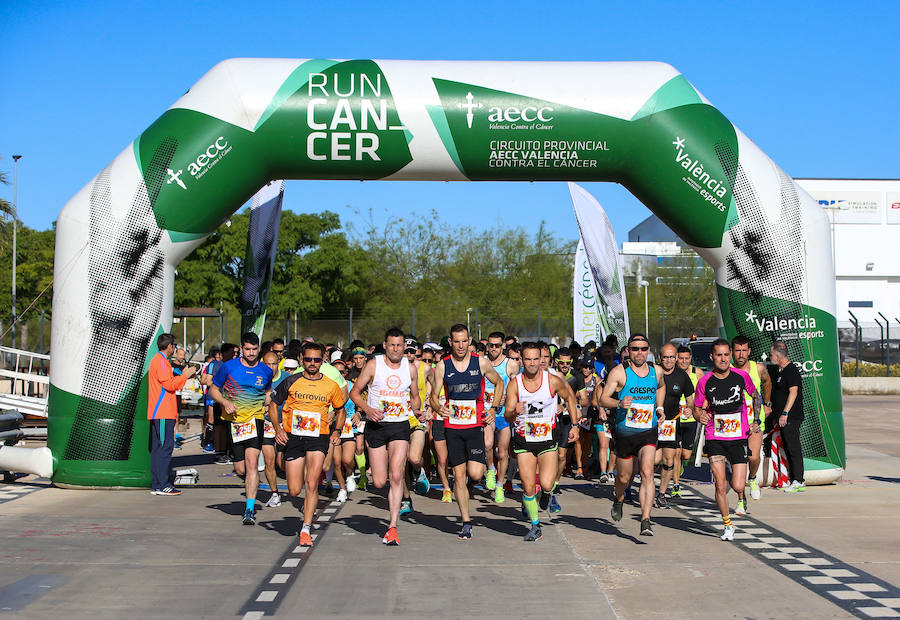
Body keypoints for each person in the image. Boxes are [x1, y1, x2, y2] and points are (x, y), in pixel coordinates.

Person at [350, 328, 423, 546]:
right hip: (376, 426)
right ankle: (391, 519)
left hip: (399, 426)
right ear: (385, 345)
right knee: (380, 481)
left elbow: (415, 396)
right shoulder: (374, 365)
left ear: (404, 347)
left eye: (399, 345)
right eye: (392, 345)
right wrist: (367, 409)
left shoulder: (410, 368)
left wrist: (417, 410)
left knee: (397, 476)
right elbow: (355, 392)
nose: (396, 349)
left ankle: (392, 526)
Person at [430, 324, 503, 540]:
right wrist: (437, 407)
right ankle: (466, 521)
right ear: (450, 343)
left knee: (475, 474)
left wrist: (493, 408)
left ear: (469, 341)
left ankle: (483, 476)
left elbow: (498, 383)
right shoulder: (443, 367)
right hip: (452, 428)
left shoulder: (480, 362)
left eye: (464, 341)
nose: (461, 346)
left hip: (474, 428)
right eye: (456, 341)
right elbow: (434, 396)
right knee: (459, 476)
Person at [269, 341, 346, 546]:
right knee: (294, 490)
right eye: (309, 359)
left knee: (312, 484)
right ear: (302, 360)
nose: (313, 363)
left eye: (317, 359)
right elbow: (273, 404)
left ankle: (306, 527)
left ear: (323, 361)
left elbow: (341, 410)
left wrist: (337, 431)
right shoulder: (291, 381)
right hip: (293, 437)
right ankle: (304, 510)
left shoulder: (330, 385)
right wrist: (278, 429)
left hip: (318, 438)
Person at [506, 342, 580, 541]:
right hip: (524, 441)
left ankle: (546, 494)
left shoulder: (553, 381)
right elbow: (506, 416)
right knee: (528, 487)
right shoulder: (515, 384)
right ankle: (535, 525)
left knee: (547, 484)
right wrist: (515, 412)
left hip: (547, 440)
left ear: (542, 360)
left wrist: (574, 425)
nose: (531, 364)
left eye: (535, 359)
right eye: (527, 359)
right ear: (522, 360)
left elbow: (570, 398)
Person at [599, 334, 665, 536]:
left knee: (647, 472)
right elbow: (603, 399)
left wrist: (660, 407)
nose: (639, 353)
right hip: (625, 433)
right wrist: (618, 403)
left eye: (643, 349)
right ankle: (618, 498)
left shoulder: (657, 371)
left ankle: (646, 519)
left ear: (649, 350)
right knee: (624, 477)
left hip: (648, 431)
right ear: (628, 350)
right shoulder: (620, 372)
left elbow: (661, 386)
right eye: (635, 349)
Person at [694, 338, 760, 540]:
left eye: (726, 355)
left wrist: (756, 419)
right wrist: (700, 415)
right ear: (712, 357)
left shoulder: (741, 376)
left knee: (738, 485)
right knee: (720, 486)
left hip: (738, 437)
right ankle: (728, 525)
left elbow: (756, 396)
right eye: (719, 355)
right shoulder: (705, 381)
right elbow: (696, 408)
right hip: (715, 438)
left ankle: (741, 495)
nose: (723, 359)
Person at [209, 332, 273, 525]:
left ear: (259, 348)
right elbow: (213, 388)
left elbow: (268, 391)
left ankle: (249, 509)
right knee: (240, 467)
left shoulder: (265, 370)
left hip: (255, 420)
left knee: (252, 463)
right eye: (247, 349)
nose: (251, 353)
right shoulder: (228, 367)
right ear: (241, 348)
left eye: (254, 349)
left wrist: (267, 403)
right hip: (235, 422)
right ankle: (248, 481)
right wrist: (224, 402)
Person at [147, 333, 196, 495]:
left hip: (161, 412)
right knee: (164, 448)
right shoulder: (160, 361)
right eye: (174, 345)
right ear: (169, 347)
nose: (174, 348)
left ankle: (158, 484)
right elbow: (169, 385)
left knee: (159, 449)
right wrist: (185, 375)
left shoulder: (160, 361)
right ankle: (162, 484)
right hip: (162, 412)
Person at [731, 336, 771, 504]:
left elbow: (767, 382)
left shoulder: (758, 368)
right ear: (732, 352)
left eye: (744, 351)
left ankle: (753, 478)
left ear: (749, 351)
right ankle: (740, 496)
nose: (741, 355)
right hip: (734, 422)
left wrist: (767, 403)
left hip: (754, 420)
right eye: (737, 351)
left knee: (753, 458)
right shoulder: (727, 369)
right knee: (737, 462)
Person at [655, 343, 694, 507]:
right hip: (652, 421)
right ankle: (646, 487)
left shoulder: (682, 376)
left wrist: (689, 410)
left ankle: (661, 494)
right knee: (653, 461)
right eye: (666, 357)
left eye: (672, 357)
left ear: (676, 358)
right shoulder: (653, 373)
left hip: (671, 423)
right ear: (660, 358)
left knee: (668, 460)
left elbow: (690, 400)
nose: (669, 360)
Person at [767, 341, 805, 492]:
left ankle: (799, 480)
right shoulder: (781, 371)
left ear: (778, 356)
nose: (770, 357)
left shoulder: (791, 370)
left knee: (793, 447)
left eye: (771, 355)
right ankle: (793, 478)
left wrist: (785, 413)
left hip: (791, 417)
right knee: (788, 447)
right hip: (783, 417)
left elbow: (793, 392)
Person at [484, 331, 518, 503]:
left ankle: (499, 485)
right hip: (487, 410)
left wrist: (508, 397)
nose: (494, 348)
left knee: (503, 452)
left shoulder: (510, 364)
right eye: (491, 345)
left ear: (503, 345)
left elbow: (516, 386)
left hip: (504, 413)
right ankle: (490, 468)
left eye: (497, 345)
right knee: (488, 444)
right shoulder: (482, 362)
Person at [670, 345, 703, 497]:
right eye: (681, 358)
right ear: (677, 359)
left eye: (686, 359)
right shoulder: (672, 373)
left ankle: (680, 466)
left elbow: (705, 393)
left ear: (690, 359)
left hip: (690, 418)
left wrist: (701, 408)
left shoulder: (698, 373)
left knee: (686, 455)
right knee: (676, 453)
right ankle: (676, 485)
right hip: (675, 418)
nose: (683, 362)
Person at [260, 352, 284, 508]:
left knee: (282, 463)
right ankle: (274, 493)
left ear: (278, 363)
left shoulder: (287, 378)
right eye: (267, 364)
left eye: (274, 364)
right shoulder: (258, 378)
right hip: (267, 424)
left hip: (285, 424)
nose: (271, 367)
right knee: (269, 460)